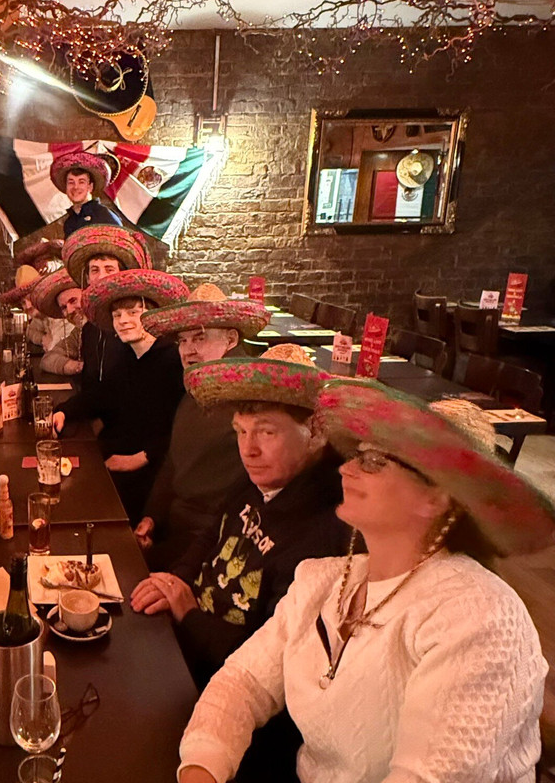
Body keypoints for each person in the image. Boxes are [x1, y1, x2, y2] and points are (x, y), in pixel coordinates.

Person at [176, 383, 554, 783]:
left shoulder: (479, 615)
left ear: (437, 497)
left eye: (374, 461)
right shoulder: (321, 579)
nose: (345, 469)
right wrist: (202, 765)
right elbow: (243, 681)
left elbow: (427, 776)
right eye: (356, 455)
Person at [131, 344, 350, 783]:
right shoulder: (257, 480)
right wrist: (173, 580)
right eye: (240, 431)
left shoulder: (326, 532)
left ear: (316, 433)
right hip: (185, 646)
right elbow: (210, 534)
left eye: (266, 432)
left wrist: (188, 613)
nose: (248, 449)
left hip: (230, 711)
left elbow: (268, 663)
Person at [134, 283, 272, 569]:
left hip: (214, 544)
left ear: (231, 339)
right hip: (177, 528)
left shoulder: (251, 399)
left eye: (199, 338)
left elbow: (243, 502)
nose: (188, 350)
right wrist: (152, 517)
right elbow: (174, 460)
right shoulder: (199, 387)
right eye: (183, 341)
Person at [54, 269, 188, 521]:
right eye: (117, 315)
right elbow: (101, 396)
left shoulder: (172, 360)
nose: (123, 320)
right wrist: (64, 411)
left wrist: (139, 458)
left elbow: (181, 428)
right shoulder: (126, 355)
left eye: (133, 313)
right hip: (112, 454)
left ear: (153, 316)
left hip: (150, 474)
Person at [59, 224, 148, 393]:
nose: (102, 277)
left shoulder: (134, 322)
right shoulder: (89, 330)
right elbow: (90, 390)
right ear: (87, 278)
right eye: (95, 270)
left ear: (122, 275)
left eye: (109, 269)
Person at [50, 151, 123, 236]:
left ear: (90, 187)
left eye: (81, 182)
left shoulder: (105, 217)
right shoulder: (69, 223)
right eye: (71, 182)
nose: (75, 187)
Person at [30, 267, 84, 376]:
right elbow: (47, 359)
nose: (69, 310)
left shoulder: (112, 328)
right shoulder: (79, 333)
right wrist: (77, 367)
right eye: (64, 307)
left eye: (73, 300)